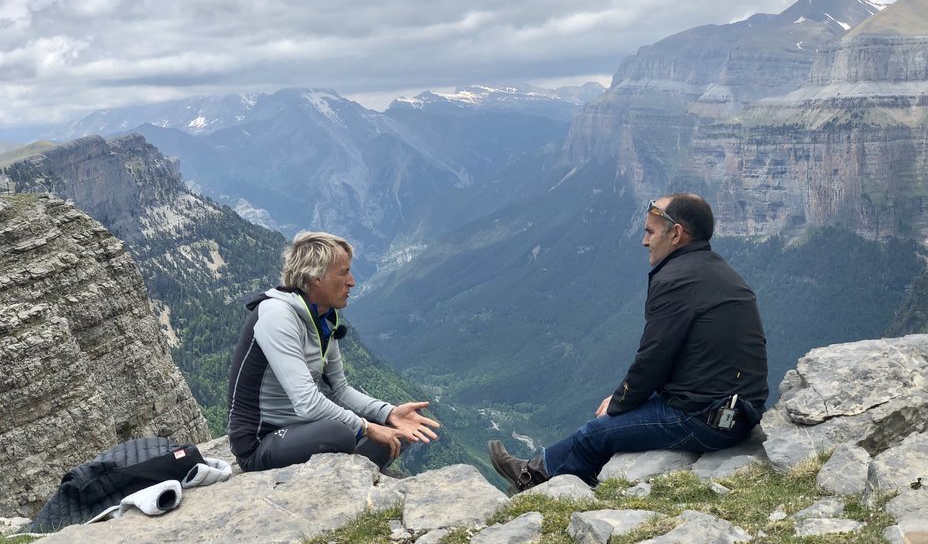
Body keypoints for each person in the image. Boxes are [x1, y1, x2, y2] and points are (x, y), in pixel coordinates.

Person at [488, 193, 768, 490]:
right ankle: (565, 474)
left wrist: (620, 402)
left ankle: (533, 476)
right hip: (733, 409)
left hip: (707, 419)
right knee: (612, 425)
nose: (644, 241)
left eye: (650, 232)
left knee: (595, 433)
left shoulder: (676, 280)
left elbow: (654, 357)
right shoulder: (715, 270)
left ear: (676, 234)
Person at [228, 231, 439, 472]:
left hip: (298, 428)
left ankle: (355, 473)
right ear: (316, 277)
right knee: (340, 432)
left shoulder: (324, 319)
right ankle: (355, 472)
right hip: (259, 442)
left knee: (400, 428)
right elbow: (307, 402)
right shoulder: (277, 315)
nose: (352, 281)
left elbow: (339, 390)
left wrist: (388, 413)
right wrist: (367, 428)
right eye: (343, 272)